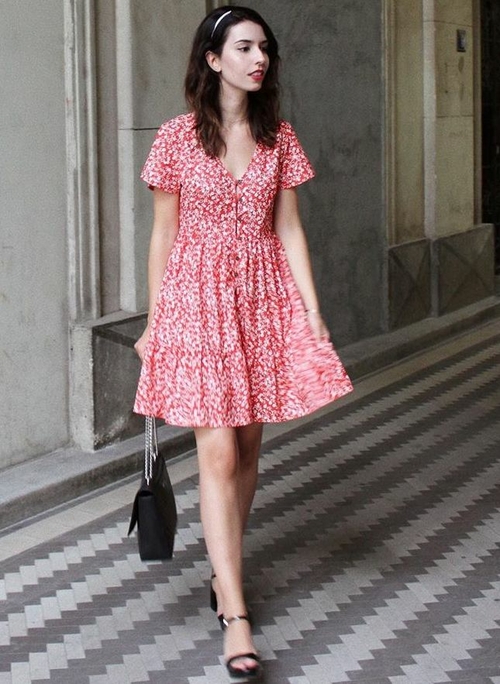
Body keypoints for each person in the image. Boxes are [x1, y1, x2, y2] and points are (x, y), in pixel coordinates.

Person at [134, 5, 353, 680]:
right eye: (245, 47)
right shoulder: (174, 138)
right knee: (219, 450)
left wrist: (312, 313)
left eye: (265, 48)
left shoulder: (278, 138)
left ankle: (223, 572)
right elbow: (163, 235)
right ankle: (234, 609)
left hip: (262, 301)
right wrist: (153, 320)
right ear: (212, 59)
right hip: (198, 302)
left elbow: (290, 231)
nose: (259, 58)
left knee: (250, 444)